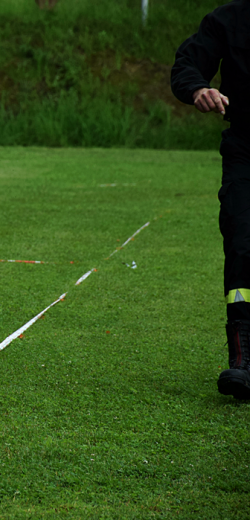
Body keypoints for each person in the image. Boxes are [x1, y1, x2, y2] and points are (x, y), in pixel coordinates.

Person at [171, 0, 250, 400]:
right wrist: (198, 88)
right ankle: (244, 361)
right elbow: (186, 63)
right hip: (244, 150)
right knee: (242, 245)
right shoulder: (226, 19)